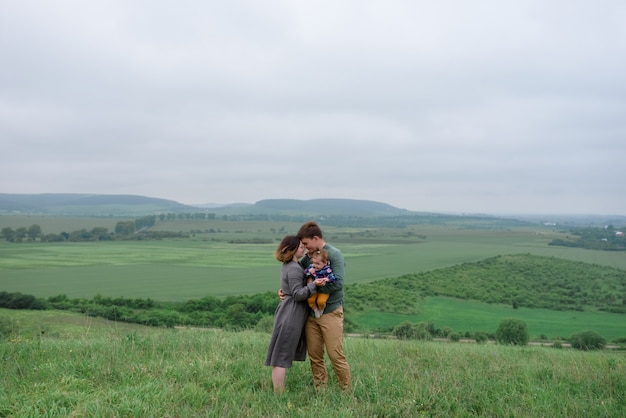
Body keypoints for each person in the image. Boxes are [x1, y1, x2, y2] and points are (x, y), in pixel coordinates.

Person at [264, 235, 326, 393]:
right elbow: (298, 294)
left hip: (289, 311)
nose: (303, 248)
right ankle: (279, 394)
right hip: (291, 313)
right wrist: (314, 285)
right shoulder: (293, 268)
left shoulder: (290, 265)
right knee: (281, 356)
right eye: (300, 247)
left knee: (282, 354)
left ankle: (279, 391)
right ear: (291, 249)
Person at [297, 221, 351, 390]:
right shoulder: (307, 259)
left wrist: (313, 287)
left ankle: (346, 391)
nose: (305, 248)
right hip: (311, 315)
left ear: (315, 238)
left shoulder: (335, 255)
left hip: (330, 312)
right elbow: (296, 279)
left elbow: (338, 284)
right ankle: (321, 391)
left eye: (306, 244)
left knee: (336, 356)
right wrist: (284, 291)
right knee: (315, 356)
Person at [304, 248, 337, 318]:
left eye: (318, 264)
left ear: (324, 263)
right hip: (314, 288)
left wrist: (327, 279)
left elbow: (333, 277)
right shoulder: (312, 267)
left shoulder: (327, 269)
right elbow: (304, 273)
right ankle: (315, 310)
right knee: (310, 300)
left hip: (323, 289)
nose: (315, 265)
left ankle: (321, 309)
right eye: (314, 263)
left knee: (321, 302)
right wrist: (309, 271)